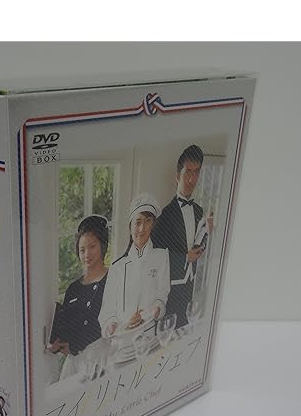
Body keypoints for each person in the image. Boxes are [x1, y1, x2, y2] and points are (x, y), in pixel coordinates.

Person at [151, 145, 214, 328]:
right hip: (168, 293)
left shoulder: (199, 211)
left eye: (196, 173)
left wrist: (207, 231)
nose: (192, 179)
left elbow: (197, 248)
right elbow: (154, 257)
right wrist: (185, 258)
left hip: (191, 290)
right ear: (178, 176)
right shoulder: (163, 216)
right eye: (188, 172)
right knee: (167, 338)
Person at [99, 193, 170, 337]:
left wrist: (155, 310)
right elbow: (107, 311)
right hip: (121, 339)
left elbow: (162, 297)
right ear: (130, 226)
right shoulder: (117, 267)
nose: (142, 229)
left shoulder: (162, 257)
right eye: (138, 222)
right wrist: (113, 325)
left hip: (149, 336)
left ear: (153, 225)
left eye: (148, 221)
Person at [49, 215, 109, 379]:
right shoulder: (73, 289)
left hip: (102, 358)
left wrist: (74, 345)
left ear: (103, 245)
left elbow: (105, 323)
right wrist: (57, 344)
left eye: (92, 246)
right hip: (75, 364)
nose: (87, 254)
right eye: (82, 250)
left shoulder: (112, 279)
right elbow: (68, 325)